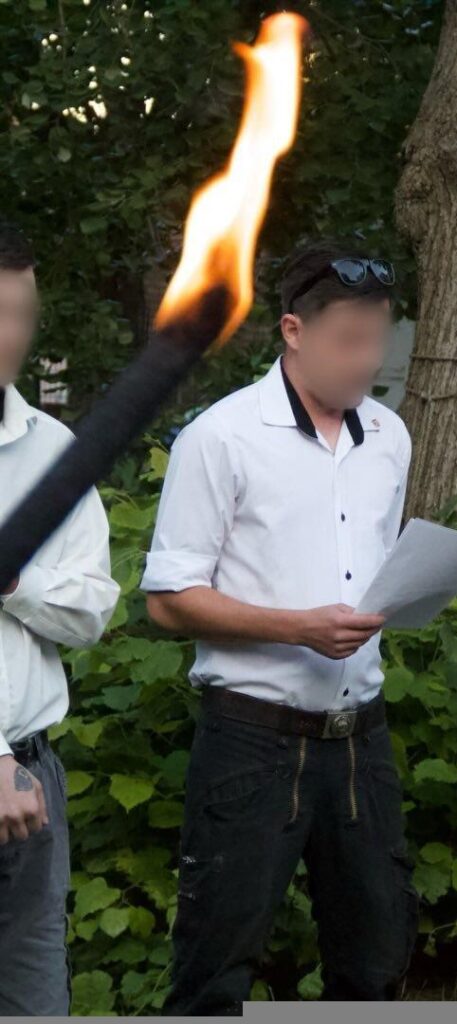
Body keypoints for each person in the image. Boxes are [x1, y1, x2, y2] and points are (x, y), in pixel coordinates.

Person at [141, 242, 418, 1014]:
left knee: (375, 963)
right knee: (215, 972)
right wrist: (294, 627)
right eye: (349, 340)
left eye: (380, 335)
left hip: (363, 738)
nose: (369, 358)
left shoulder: (389, 437)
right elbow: (168, 599)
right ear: (294, 331)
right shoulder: (222, 437)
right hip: (251, 739)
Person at [0, 222, 120, 1015]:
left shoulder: (56, 450)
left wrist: (13, 574)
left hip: (34, 783)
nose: (9, 336)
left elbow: (89, 612)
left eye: (22, 313)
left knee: (35, 1000)